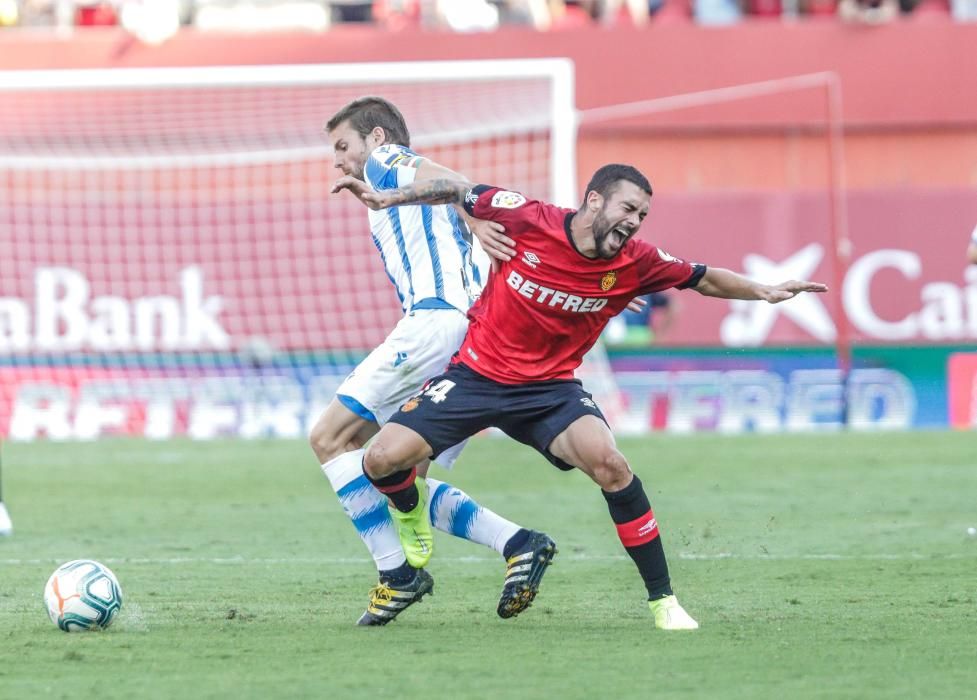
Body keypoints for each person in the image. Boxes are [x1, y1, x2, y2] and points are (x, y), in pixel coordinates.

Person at [334, 163, 828, 630]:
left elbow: (703, 277)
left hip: (550, 392)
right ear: (594, 200)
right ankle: (411, 512)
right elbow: (456, 188)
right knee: (379, 460)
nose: (633, 223)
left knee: (612, 465)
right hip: (477, 375)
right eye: (628, 208)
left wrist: (763, 291)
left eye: (641, 216)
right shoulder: (526, 217)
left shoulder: (638, 262)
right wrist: (386, 198)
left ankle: (664, 602)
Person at [313, 97, 546, 626]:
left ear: (375, 138)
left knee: (330, 439)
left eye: (342, 146)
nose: (338, 161)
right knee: (400, 473)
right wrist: (472, 213)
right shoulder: (417, 197)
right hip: (470, 342)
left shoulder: (388, 160)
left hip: (434, 325)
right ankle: (520, 543)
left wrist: (471, 206)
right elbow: (460, 194)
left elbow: (453, 179)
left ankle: (397, 575)